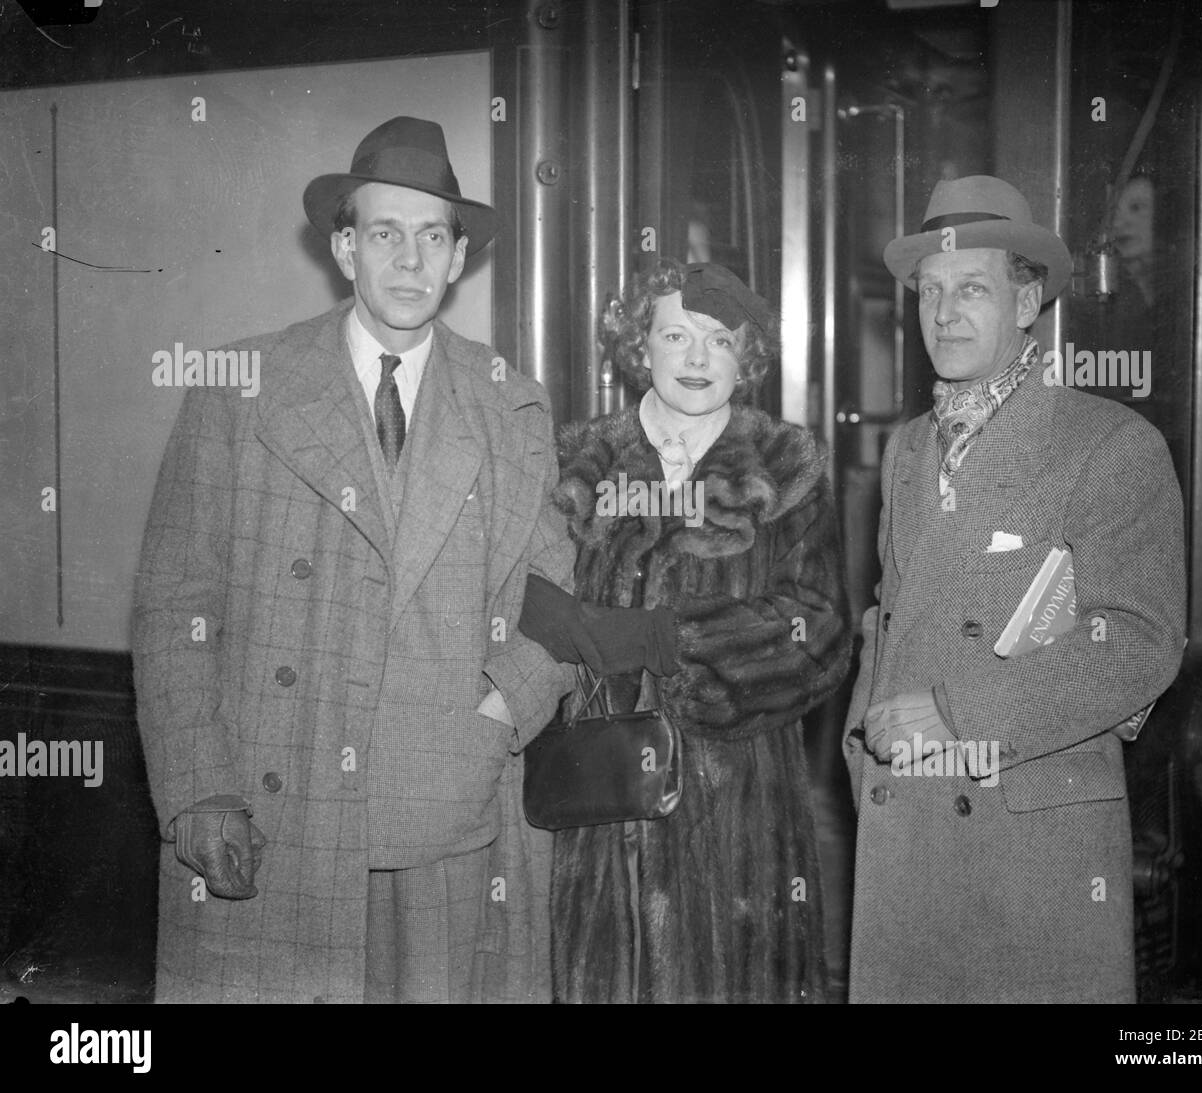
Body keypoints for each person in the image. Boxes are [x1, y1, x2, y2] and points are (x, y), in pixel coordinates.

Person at [133, 116, 575, 1003]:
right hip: (274, 810)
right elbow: (175, 607)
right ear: (345, 249)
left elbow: (553, 602)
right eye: (384, 233)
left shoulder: (512, 408)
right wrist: (198, 792)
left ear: (458, 260)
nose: (410, 260)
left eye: (432, 236)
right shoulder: (240, 391)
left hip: (449, 817)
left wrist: (493, 715)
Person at [842, 175, 1185, 1003]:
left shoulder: (1109, 444)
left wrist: (961, 710)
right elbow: (889, 620)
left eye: (972, 288)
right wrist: (861, 747)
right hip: (907, 828)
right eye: (929, 291)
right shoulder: (909, 448)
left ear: (1027, 303)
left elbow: (1140, 643)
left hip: (1030, 851)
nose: (945, 312)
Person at [520, 259, 851, 1003]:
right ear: (642, 346)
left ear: (748, 356)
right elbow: (524, 603)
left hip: (743, 807)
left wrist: (668, 639)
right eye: (676, 335)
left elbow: (821, 632)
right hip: (600, 807)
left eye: (720, 340)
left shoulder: (788, 466)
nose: (698, 359)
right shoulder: (575, 462)